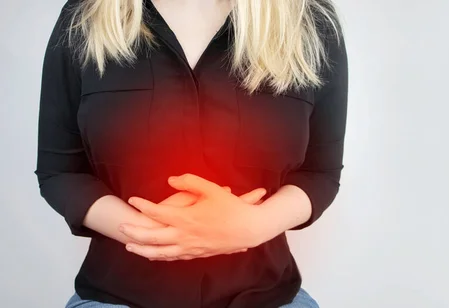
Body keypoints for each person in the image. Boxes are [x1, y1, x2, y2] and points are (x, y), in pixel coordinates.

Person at [34, 0, 348, 307]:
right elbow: (61, 171)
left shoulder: (310, 19)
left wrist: (254, 227)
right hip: (119, 295)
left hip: (267, 295)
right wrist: (153, 234)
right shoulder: (85, 16)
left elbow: (319, 174)